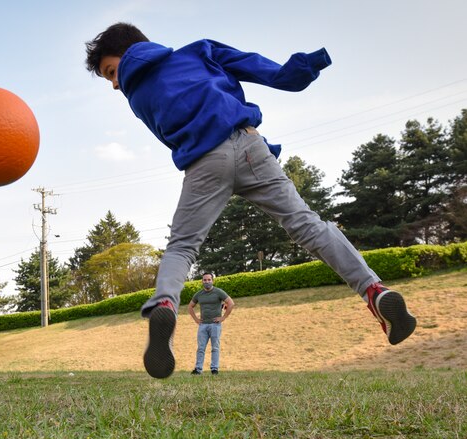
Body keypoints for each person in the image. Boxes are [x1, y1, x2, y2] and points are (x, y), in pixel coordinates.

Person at [85, 23, 416, 379]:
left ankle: (164, 303)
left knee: (182, 246)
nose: (116, 84)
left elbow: (175, 135)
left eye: (111, 72)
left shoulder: (137, 96)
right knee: (308, 225)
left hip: (204, 162)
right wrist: (300, 70)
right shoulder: (198, 51)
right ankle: (374, 291)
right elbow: (261, 68)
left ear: (127, 54)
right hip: (251, 146)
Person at [188, 273, 234, 375]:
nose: (207, 282)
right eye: (205, 280)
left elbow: (231, 303)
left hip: (215, 325)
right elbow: (190, 307)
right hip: (203, 325)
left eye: (209, 280)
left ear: (212, 280)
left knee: (215, 347)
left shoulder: (218, 292)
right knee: (200, 348)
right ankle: (198, 369)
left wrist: (223, 317)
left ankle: (214, 369)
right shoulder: (199, 294)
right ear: (202, 281)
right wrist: (196, 319)